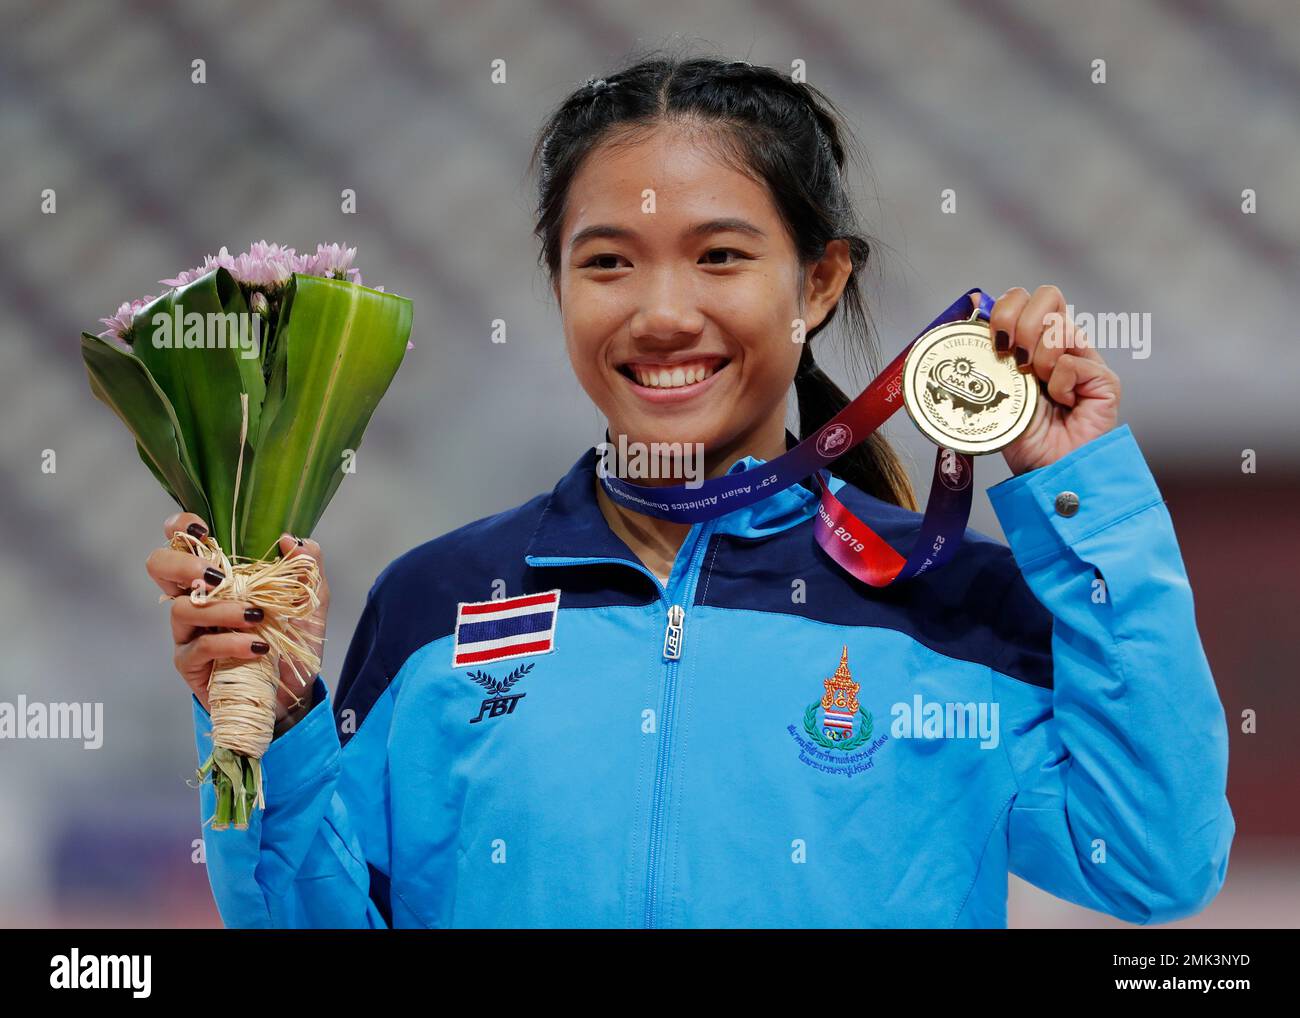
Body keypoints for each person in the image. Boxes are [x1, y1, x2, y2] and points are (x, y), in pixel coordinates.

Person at [145, 53, 1234, 928]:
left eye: (719, 257)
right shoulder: (436, 604)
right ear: (558, 284)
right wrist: (265, 725)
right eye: (608, 262)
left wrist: (1080, 488)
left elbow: (1150, 863)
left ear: (816, 282)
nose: (661, 313)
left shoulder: (956, 610)